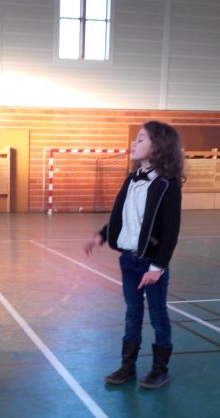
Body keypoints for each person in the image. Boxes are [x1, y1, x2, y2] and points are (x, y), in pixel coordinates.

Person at [84, 121, 184, 389]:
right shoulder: (131, 179)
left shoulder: (167, 185)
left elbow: (171, 231)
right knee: (132, 314)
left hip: (151, 264)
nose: (133, 143)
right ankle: (128, 366)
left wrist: (157, 267)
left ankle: (160, 370)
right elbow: (122, 216)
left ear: (158, 145)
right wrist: (102, 235)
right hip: (128, 260)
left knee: (158, 315)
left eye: (141, 139)